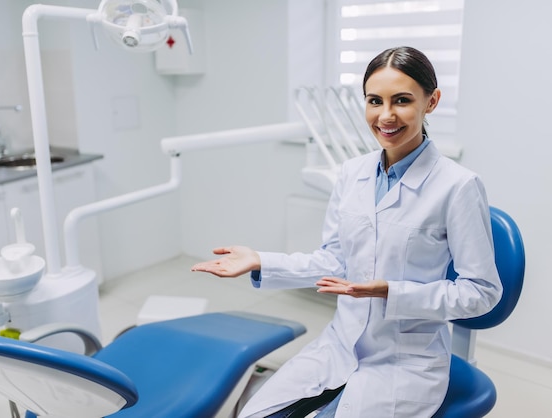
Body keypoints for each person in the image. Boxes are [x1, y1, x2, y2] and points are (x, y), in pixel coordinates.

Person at [191, 46, 502, 418]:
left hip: (407, 359)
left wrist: (392, 292)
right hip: (341, 341)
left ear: (431, 101)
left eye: (401, 100)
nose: (385, 116)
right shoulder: (351, 173)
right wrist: (261, 260)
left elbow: (481, 293)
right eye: (375, 101)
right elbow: (334, 260)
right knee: (252, 414)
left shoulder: (458, 186)